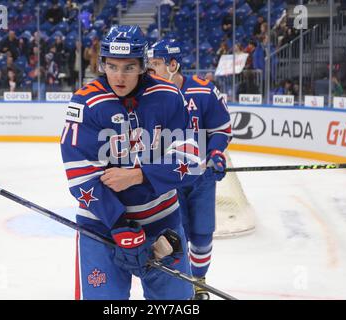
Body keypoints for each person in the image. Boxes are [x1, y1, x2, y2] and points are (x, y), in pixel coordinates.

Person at [60, 25, 202, 300]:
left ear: (142, 65)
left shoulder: (168, 96)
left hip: (162, 223)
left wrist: (139, 175)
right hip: (101, 226)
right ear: (102, 64)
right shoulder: (85, 102)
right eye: (112, 66)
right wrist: (119, 223)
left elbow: (191, 160)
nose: (119, 76)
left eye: (128, 67)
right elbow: (79, 173)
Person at [148, 39, 233, 300]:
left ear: (173, 65)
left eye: (156, 65)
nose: (150, 71)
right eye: (148, 66)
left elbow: (222, 128)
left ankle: (198, 283)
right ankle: (179, 286)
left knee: (202, 234)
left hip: (201, 178)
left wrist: (217, 153)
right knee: (174, 236)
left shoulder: (204, 91)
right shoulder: (149, 96)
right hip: (168, 180)